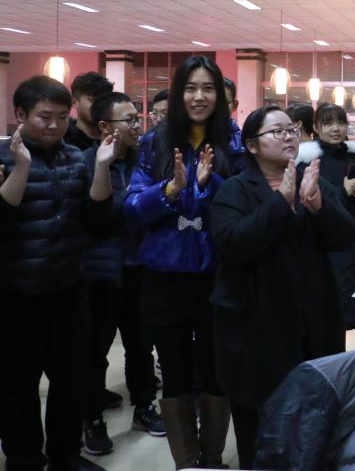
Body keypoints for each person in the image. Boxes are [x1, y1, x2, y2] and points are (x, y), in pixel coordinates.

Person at [210, 106, 355, 469]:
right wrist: (280, 202)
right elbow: (236, 244)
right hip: (256, 330)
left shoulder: (313, 180)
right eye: (277, 132)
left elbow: (345, 238)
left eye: (291, 130)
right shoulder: (233, 189)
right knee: (260, 430)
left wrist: (319, 207)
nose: (289, 137)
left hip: (313, 327)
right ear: (252, 145)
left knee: (315, 425)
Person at [125, 56, 243, 470]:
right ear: (178, 93)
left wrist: (211, 187)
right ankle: (187, 462)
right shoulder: (154, 142)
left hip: (217, 275)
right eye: (190, 88)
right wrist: (170, 189)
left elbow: (244, 204)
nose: (199, 97)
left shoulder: (234, 142)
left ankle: (212, 458)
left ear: (220, 95)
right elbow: (132, 209)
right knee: (174, 372)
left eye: (207, 88)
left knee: (215, 371)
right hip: (164, 277)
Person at [0, 75, 116, 471]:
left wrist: (102, 168)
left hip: (68, 291)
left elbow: (98, 217)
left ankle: (65, 457)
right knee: (17, 387)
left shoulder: (75, 158)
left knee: (71, 382)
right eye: (44, 117)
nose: (54, 126)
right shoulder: (3, 157)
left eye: (62, 118)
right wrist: (20, 168)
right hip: (14, 295)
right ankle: (24, 460)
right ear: (20, 114)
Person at [81, 93, 165, 457]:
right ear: (104, 127)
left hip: (140, 268)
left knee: (141, 346)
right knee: (94, 351)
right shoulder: (87, 163)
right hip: (100, 273)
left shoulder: (146, 161)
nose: (136, 126)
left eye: (137, 119)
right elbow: (97, 217)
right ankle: (92, 419)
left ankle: (144, 407)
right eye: (128, 120)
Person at [301, 102, 355, 328]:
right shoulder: (308, 161)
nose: (336, 128)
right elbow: (309, 203)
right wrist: (343, 191)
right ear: (316, 127)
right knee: (331, 307)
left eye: (341, 122)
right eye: (328, 123)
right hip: (324, 244)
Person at [65, 72, 114, 151]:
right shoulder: (64, 141)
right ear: (74, 102)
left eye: (104, 101)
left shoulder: (114, 139)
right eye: (93, 101)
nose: (100, 106)